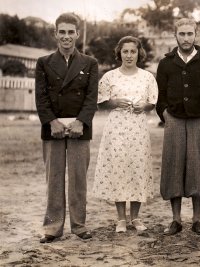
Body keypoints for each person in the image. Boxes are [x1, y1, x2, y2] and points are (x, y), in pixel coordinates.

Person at [35, 13, 98, 243]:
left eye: (71, 32)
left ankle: (79, 225)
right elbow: (41, 98)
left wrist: (81, 122)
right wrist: (52, 122)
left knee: (78, 178)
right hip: (53, 128)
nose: (66, 37)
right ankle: (52, 227)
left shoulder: (90, 63)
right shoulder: (43, 62)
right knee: (54, 178)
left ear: (77, 34)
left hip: (79, 128)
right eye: (62, 32)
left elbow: (91, 98)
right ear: (55, 34)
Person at [156, 18, 200, 236]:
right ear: (175, 35)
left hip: (199, 119)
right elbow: (160, 95)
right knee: (174, 166)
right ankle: (175, 220)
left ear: (196, 35)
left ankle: (196, 219)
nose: (186, 38)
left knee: (198, 167)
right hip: (174, 119)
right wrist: (165, 113)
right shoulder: (166, 63)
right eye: (181, 34)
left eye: (189, 34)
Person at [92, 36, 157, 233]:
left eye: (133, 51)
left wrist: (144, 106)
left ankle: (135, 217)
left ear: (139, 53)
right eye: (125, 51)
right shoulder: (110, 77)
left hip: (138, 127)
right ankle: (121, 219)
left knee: (138, 167)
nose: (129, 55)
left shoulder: (147, 77)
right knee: (119, 167)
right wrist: (115, 102)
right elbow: (101, 102)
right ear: (119, 53)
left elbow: (153, 102)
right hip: (117, 128)